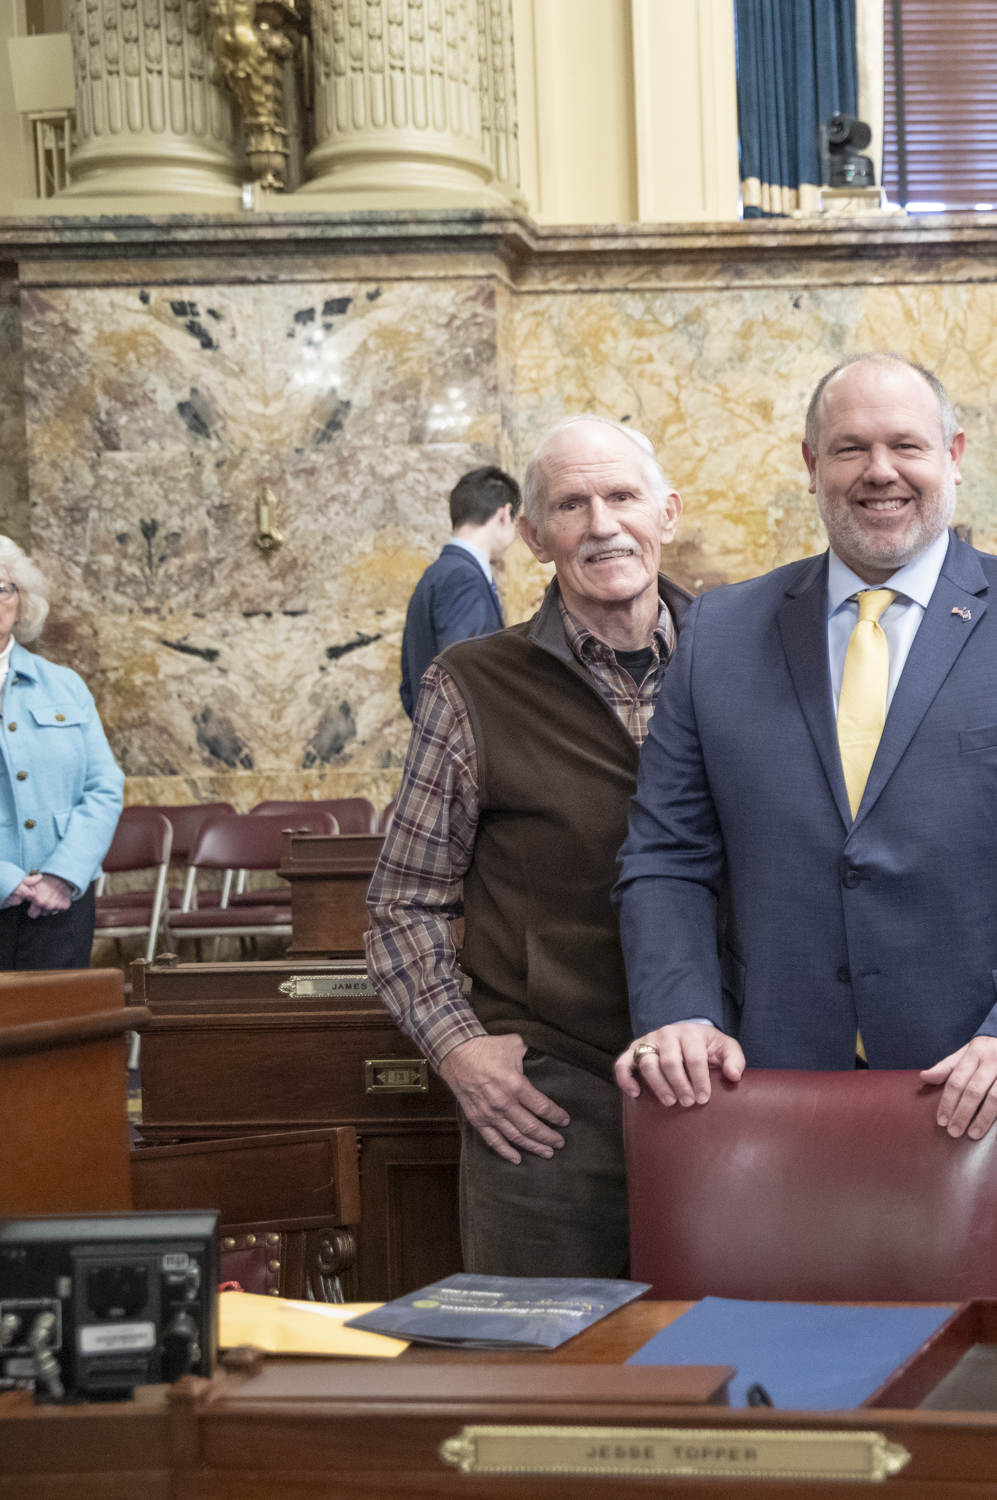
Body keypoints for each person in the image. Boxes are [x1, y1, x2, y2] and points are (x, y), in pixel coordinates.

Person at [613, 352, 997, 1302]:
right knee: (799, 1405)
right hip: (775, 1102)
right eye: (850, 448)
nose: (879, 471)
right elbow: (664, 855)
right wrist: (679, 1008)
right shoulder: (722, 632)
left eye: (905, 444)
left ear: (951, 454)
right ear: (811, 463)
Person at [366, 416, 689, 1276]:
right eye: (571, 505)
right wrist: (459, 1049)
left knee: (732, 1373)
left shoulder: (747, 654)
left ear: (668, 513)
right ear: (535, 536)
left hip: (728, 1081)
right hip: (552, 1101)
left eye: (622, 496)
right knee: (547, 1381)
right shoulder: (473, 684)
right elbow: (403, 903)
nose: (602, 524)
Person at [0, 535, 123, 971]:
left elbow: (104, 787)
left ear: (21, 601)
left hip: (60, 904)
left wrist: (64, 875)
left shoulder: (64, 685)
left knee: (60, 1032)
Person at [399, 466, 520, 719]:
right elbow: (466, 679)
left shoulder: (436, 574)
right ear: (505, 514)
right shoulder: (463, 578)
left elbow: (410, 688)